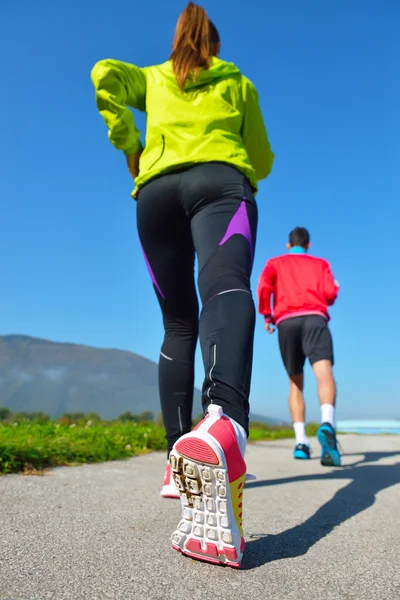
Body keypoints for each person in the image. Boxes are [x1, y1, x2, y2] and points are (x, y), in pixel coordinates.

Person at [91, 2, 274, 568]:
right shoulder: (236, 81)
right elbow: (262, 161)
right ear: (214, 43)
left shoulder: (152, 78)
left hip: (154, 197)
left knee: (176, 322)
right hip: (219, 185)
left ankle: (177, 455)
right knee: (223, 285)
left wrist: (131, 146)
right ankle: (223, 421)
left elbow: (102, 74)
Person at [257, 227, 341, 466]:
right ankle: (327, 422)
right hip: (315, 318)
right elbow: (330, 293)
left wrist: (266, 315)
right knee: (324, 373)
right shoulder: (320, 264)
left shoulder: (275, 262)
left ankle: (301, 442)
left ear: (288, 244)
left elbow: (264, 287)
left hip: (286, 322)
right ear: (308, 245)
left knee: (296, 382)